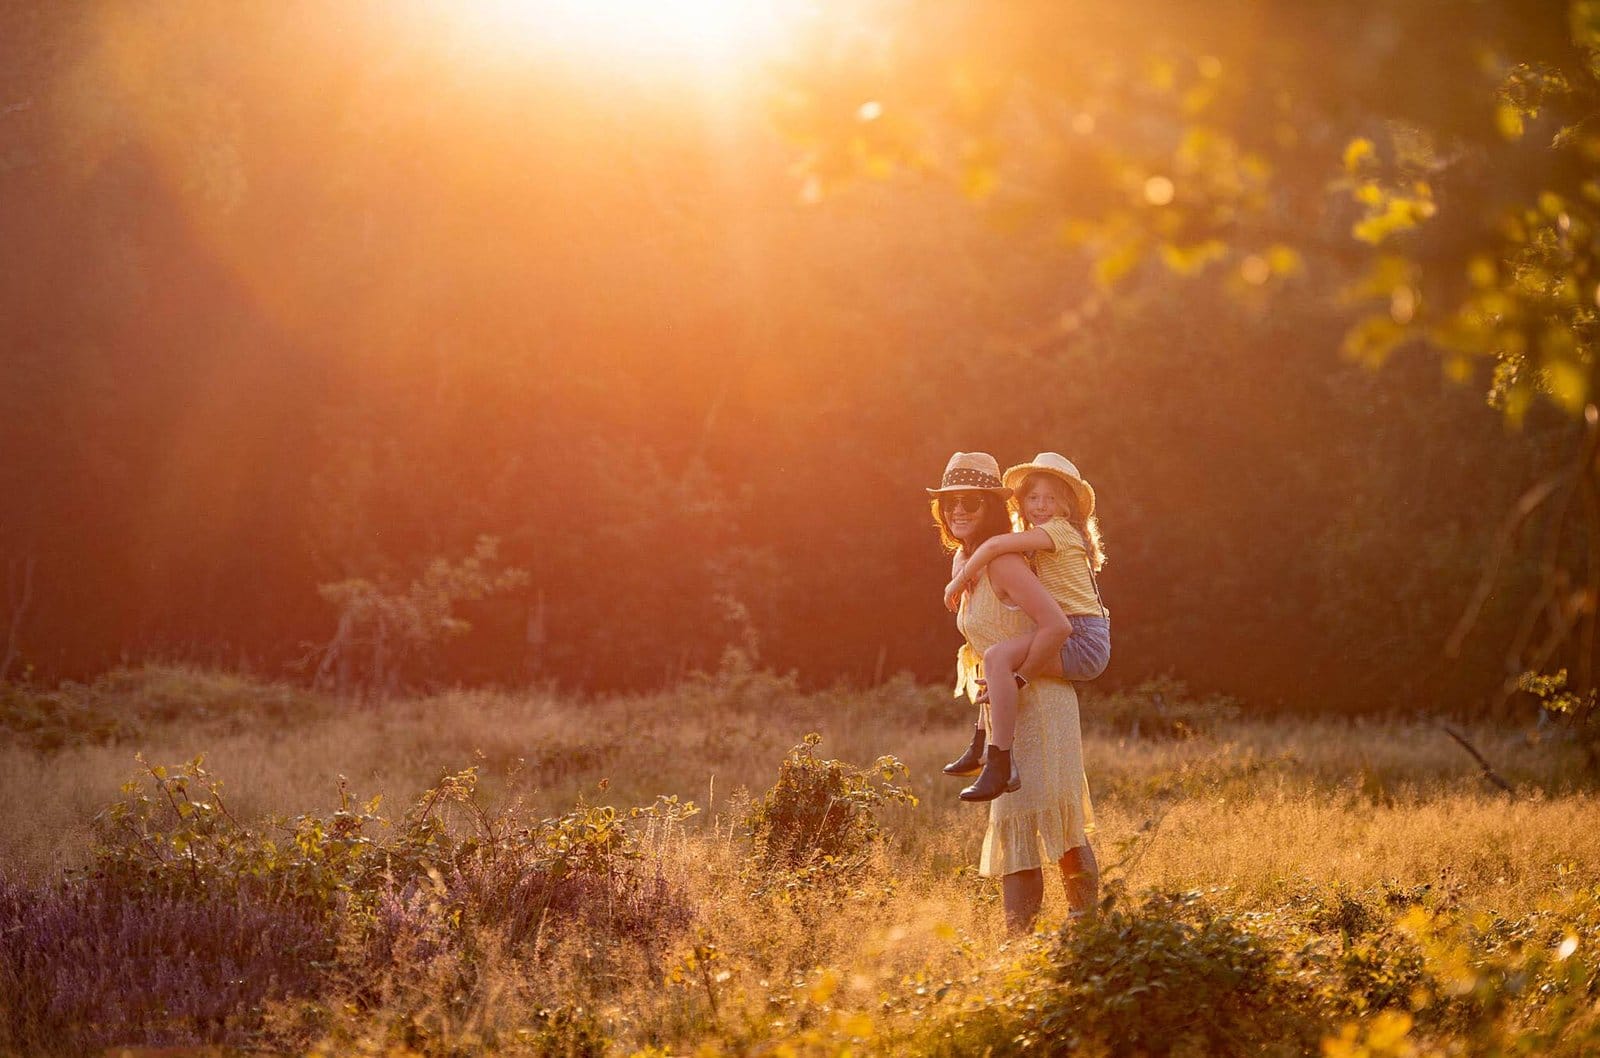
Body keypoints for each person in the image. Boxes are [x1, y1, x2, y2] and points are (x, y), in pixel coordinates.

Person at [927, 451, 1100, 932]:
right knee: (1016, 821)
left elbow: (1054, 625)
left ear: (994, 507)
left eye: (971, 503)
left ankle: (1086, 933)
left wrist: (1017, 674)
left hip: (1041, 701)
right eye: (950, 503)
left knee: (1056, 820)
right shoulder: (966, 558)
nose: (958, 511)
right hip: (1006, 705)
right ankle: (1017, 944)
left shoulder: (1003, 561)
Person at [942, 452, 1109, 799]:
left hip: (1084, 637)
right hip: (1077, 633)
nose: (1041, 505)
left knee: (999, 658)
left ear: (1067, 506)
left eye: (1051, 498)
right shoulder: (1037, 538)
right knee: (994, 658)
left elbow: (998, 543)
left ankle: (998, 761)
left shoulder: (1058, 532)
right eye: (1033, 498)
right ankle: (982, 745)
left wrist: (959, 580)